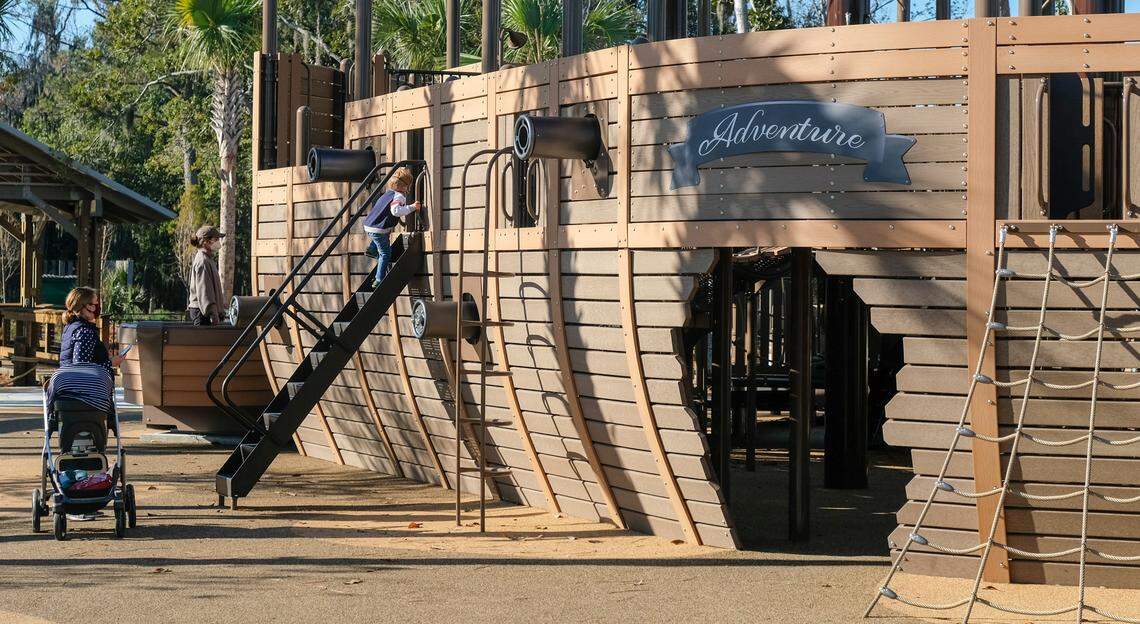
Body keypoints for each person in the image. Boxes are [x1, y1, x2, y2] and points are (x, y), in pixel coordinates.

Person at [363, 167, 420, 287]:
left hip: (370, 225)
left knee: (380, 238)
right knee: (385, 254)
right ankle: (378, 280)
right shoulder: (398, 196)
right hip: (379, 229)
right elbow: (396, 211)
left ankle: (372, 249)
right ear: (405, 187)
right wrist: (413, 207)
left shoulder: (388, 193)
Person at [59, 286, 124, 377]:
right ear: (82, 306)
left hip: (70, 383)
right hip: (84, 388)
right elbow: (81, 367)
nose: (96, 308)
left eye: (97, 304)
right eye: (93, 304)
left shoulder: (71, 327)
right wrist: (111, 363)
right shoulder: (84, 331)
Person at [187, 224, 226, 325]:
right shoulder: (203, 261)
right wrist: (212, 313)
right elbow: (205, 290)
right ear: (206, 241)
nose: (218, 241)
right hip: (202, 312)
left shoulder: (208, 259)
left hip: (204, 311)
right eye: (216, 239)